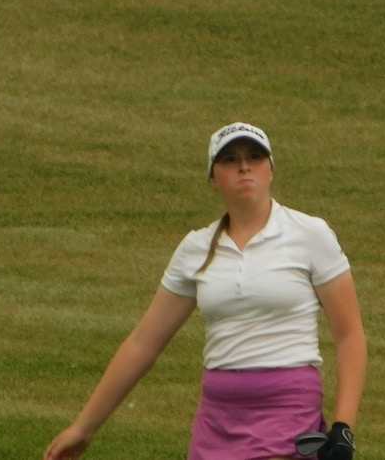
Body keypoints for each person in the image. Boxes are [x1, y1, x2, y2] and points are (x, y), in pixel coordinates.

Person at [44, 122, 367, 460]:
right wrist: (84, 427)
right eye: (229, 160)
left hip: (287, 409)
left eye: (255, 157)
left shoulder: (310, 235)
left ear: (271, 170)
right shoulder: (195, 248)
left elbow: (349, 335)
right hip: (217, 418)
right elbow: (144, 342)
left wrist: (343, 426)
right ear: (213, 179)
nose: (244, 166)